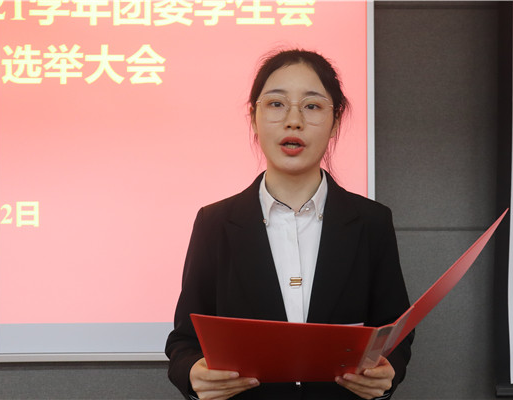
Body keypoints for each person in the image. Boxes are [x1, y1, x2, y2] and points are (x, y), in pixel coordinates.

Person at [165, 49, 413, 400]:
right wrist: (193, 374)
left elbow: (395, 335)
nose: (293, 121)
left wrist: (388, 373)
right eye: (276, 104)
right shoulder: (215, 223)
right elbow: (184, 341)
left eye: (311, 106)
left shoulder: (372, 221)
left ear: (335, 121)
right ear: (254, 118)